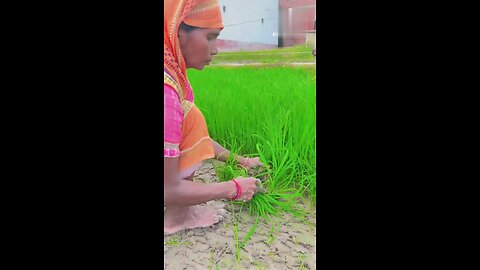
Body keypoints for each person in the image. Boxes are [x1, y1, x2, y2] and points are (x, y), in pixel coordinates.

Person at [164, 0, 264, 235]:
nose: (216, 49)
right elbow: (167, 189)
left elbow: (188, 136)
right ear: (179, 32)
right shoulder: (166, 94)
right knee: (192, 116)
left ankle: (182, 210)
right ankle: (176, 219)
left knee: (190, 117)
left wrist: (243, 162)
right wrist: (233, 188)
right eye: (210, 37)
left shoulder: (171, 77)